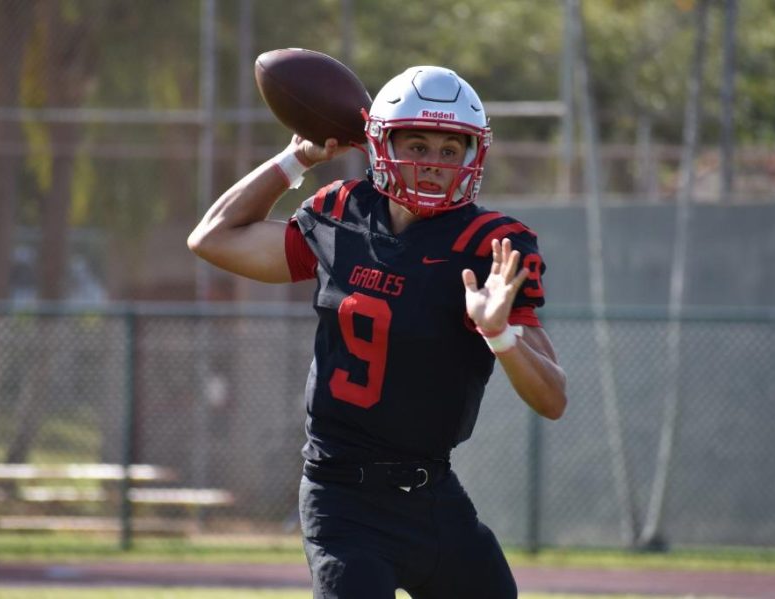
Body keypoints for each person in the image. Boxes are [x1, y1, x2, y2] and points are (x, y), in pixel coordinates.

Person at [188, 65, 567, 599]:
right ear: (382, 144)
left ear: (472, 155)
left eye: (449, 150)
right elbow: (213, 238)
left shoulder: (491, 246)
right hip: (342, 496)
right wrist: (297, 158)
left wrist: (499, 333)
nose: (434, 166)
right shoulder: (341, 213)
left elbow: (552, 400)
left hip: (433, 496)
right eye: (417, 145)